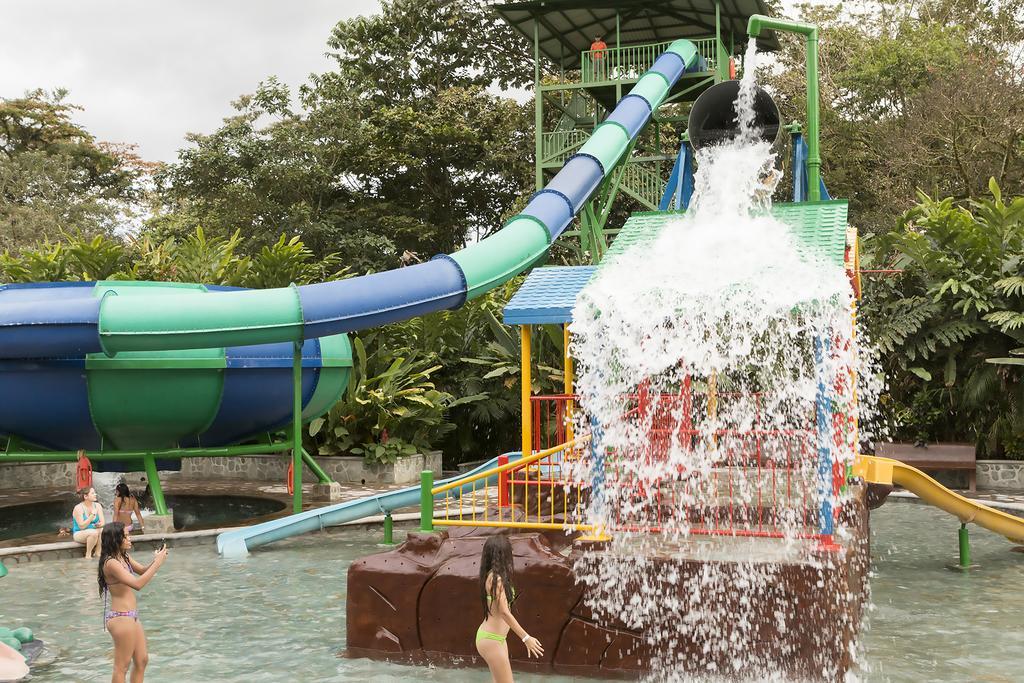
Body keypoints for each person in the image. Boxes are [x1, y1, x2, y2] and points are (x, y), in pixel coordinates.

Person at [98, 522, 168, 683]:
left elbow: (143, 571)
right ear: (116, 539)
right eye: (126, 536)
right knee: (121, 666)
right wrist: (157, 563)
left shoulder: (124, 557)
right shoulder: (110, 563)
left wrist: (157, 559)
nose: (130, 539)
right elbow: (138, 584)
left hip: (131, 616)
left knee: (142, 660)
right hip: (121, 617)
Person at [475, 535, 543, 682]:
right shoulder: (495, 579)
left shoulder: (494, 576)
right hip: (491, 639)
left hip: (497, 639)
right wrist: (526, 638)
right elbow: (504, 613)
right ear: (503, 555)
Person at [72, 487, 105, 558]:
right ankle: (88, 554)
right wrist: (92, 515)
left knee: (103, 530)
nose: (95, 494)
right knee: (93, 533)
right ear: (85, 496)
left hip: (94, 531)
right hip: (79, 533)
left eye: (95, 493)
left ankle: (98, 552)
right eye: (92, 493)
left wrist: (99, 525)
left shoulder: (98, 506)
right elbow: (81, 526)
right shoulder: (78, 508)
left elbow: (103, 523)